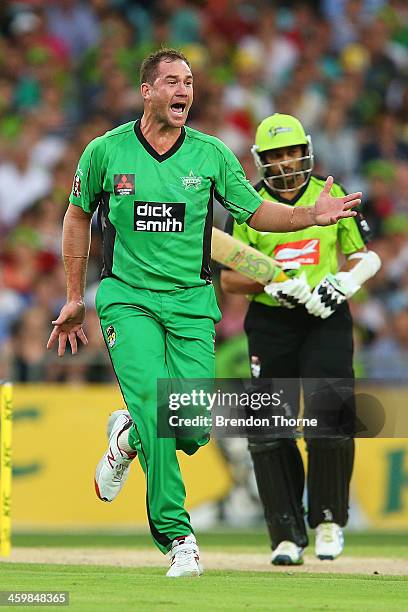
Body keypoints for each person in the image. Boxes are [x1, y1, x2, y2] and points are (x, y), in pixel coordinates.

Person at [46, 51, 362, 578]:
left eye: (189, 82)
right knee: (155, 405)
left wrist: (310, 214)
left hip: (192, 304)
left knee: (189, 427)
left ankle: (126, 439)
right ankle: (179, 538)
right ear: (146, 90)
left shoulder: (211, 154)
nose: (183, 90)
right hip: (129, 298)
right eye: (172, 81)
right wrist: (76, 296)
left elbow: (256, 212)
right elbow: (77, 216)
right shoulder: (105, 151)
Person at [221, 113, 381, 566]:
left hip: (326, 317)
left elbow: (361, 257)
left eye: (293, 152)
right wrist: (268, 283)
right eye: (276, 155)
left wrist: (342, 286)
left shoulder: (328, 197)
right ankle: (286, 536)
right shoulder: (249, 207)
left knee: (330, 417)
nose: (287, 162)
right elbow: (231, 279)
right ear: (262, 161)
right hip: (272, 322)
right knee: (268, 433)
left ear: (306, 151)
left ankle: (329, 520)